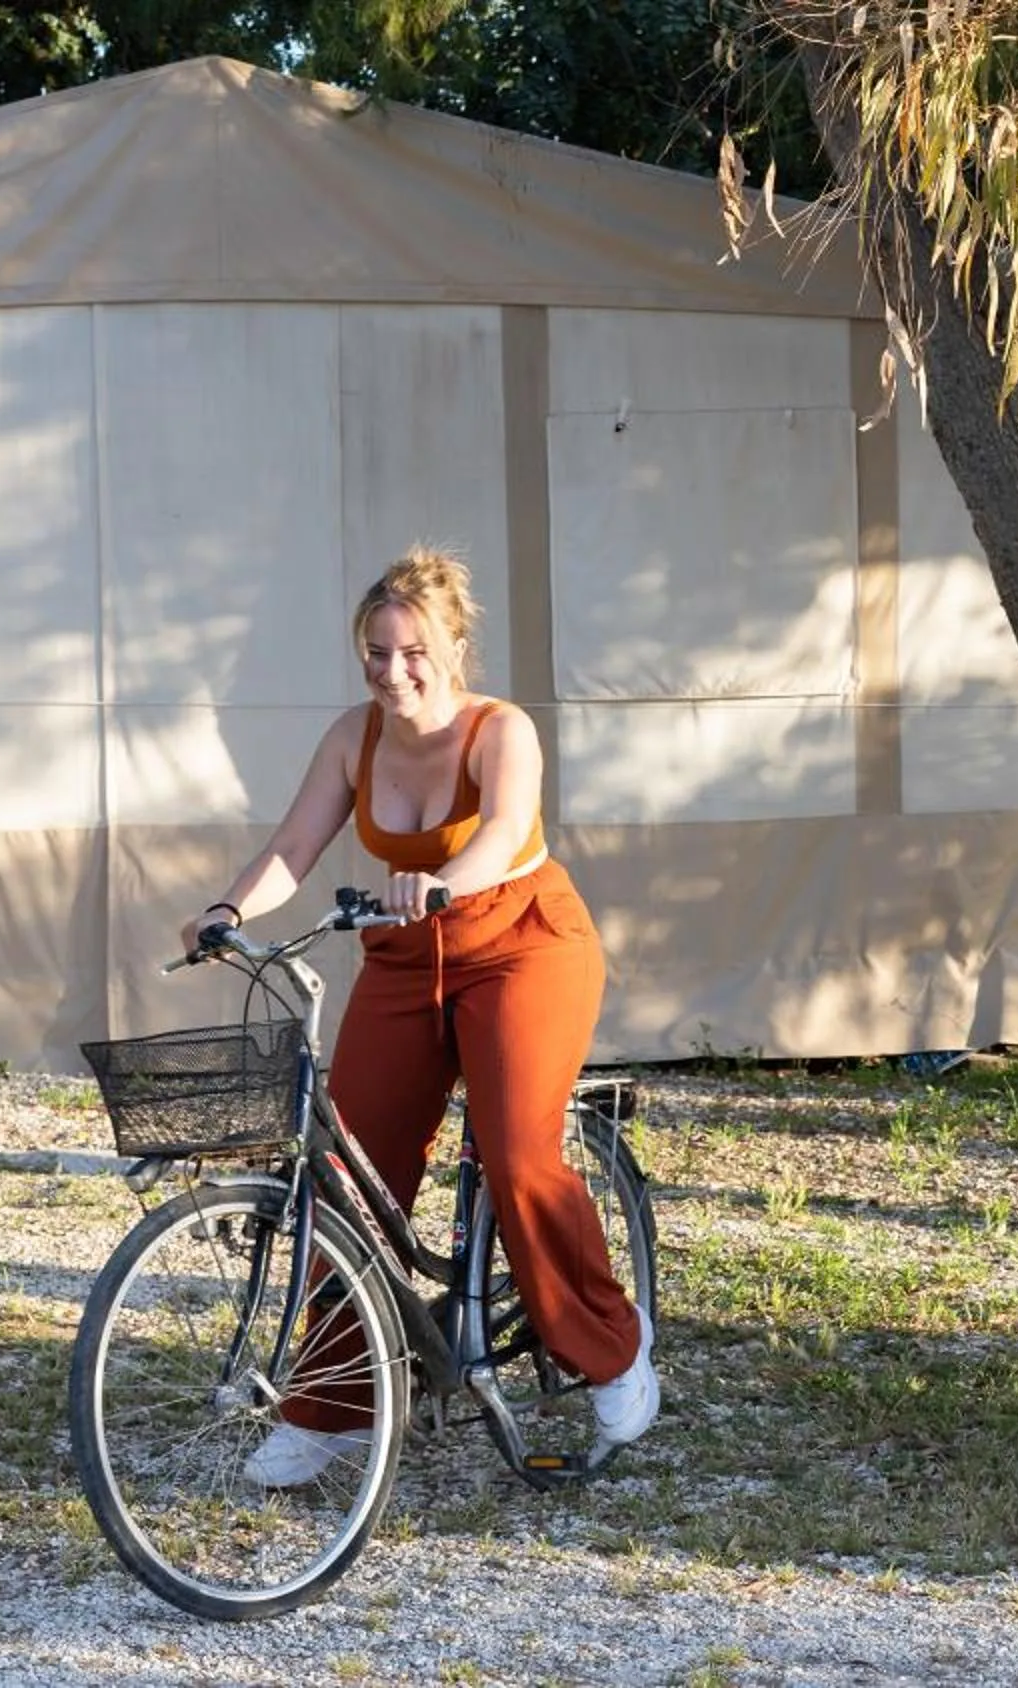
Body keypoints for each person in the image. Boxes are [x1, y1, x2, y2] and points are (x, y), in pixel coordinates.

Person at [183, 546, 656, 1483]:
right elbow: (294, 844)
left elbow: (502, 833)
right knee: (351, 1181)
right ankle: (332, 1408)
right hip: (407, 958)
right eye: (374, 653)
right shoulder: (351, 738)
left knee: (520, 1159)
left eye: (412, 653)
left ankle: (613, 1345)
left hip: (522, 942)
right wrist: (228, 910)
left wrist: (441, 882)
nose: (392, 672)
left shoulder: (499, 730)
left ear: (453, 648)